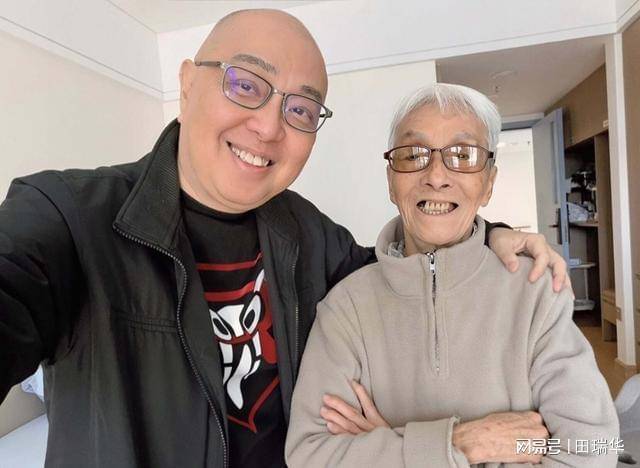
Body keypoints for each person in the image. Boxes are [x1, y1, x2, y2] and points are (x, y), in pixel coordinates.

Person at [0, 9, 568, 468]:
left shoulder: (305, 232)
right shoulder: (66, 217)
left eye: (300, 109)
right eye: (246, 84)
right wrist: (452, 444)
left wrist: (487, 236)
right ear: (188, 84)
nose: (269, 126)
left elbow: (403, 273)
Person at [285, 83, 618, 467]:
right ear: (391, 181)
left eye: (463, 155)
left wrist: (395, 446)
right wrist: (464, 444)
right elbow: (310, 455)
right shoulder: (345, 309)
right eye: (414, 154)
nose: (437, 176)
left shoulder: (535, 292)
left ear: (488, 183)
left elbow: (595, 450)